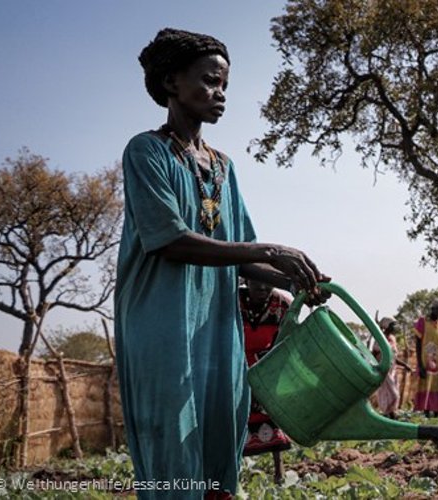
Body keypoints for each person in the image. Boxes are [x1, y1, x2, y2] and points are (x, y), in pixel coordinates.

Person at [114, 28, 330, 499]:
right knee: (172, 442)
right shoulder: (146, 152)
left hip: (216, 330)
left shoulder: (223, 167)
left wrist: (295, 278)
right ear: (171, 82)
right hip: (162, 325)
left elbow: (242, 254)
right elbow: (169, 239)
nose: (220, 95)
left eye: (225, 85)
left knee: (219, 435)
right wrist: (269, 252)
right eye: (210, 82)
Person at [238, 280, 293, 459]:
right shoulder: (234, 300)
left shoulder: (283, 304)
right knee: (236, 418)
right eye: (256, 283)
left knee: (270, 417)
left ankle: (279, 470)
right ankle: (235, 466)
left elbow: (289, 336)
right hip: (237, 366)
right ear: (246, 281)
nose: (262, 287)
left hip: (267, 367)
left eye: (267, 283)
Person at [414, 299, 438, 418]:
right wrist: (420, 364)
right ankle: (426, 413)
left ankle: (436, 413)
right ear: (432, 309)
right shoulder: (422, 321)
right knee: (426, 384)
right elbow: (418, 343)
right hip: (427, 359)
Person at [370, 317, 409, 419]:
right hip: (384, 369)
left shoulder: (393, 338)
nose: (395, 327)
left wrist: (404, 365)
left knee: (395, 394)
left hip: (393, 370)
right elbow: (374, 353)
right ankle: (388, 412)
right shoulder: (380, 338)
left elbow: (393, 356)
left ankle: (391, 414)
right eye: (393, 325)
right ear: (387, 326)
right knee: (392, 394)